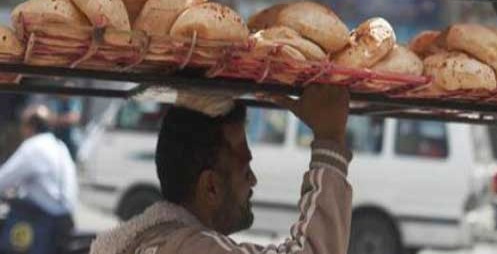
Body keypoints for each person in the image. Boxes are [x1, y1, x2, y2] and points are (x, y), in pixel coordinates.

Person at [90, 85, 351, 254]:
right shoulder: (188, 248)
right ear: (211, 186)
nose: (254, 180)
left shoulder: (153, 243)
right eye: (245, 169)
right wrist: (329, 140)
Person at [0, 104, 77, 254]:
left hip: (46, 219)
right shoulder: (59, 146)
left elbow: (3, 179)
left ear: (30, 126)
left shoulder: (33, 147)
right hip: (66, 217)